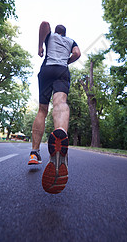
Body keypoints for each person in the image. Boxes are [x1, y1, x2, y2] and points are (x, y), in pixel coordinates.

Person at [28, 21, 81, 194]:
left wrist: (40, 47)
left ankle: (34, 153)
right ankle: (61, 138)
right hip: (61, 71)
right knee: (60, 103)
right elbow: (77, 53)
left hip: (47, 69)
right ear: (65, 33)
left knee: (42, 110)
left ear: (56, 32)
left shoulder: (50, 36)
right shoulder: (70, 41)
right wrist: (67, 61)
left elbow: (43, 24)